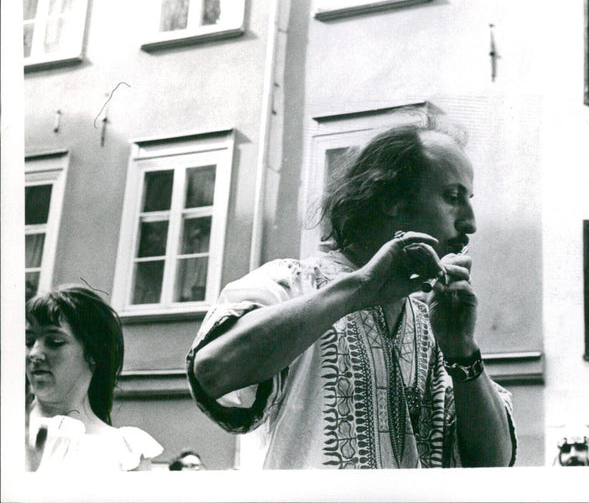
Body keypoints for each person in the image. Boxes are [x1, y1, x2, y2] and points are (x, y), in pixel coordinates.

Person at [187, 119, 516, 469]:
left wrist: (462, 349)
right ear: (392, 199)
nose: (470, 222)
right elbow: (213, 372)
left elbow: (494, 463)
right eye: (452, 197)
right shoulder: (290, 283)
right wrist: (358, 289)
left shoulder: (430, 320)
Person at [25, 284, 163, 471]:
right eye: (28, 340)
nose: (34, 353)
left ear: (93, 354)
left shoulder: (125, 451)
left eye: (54, 342)